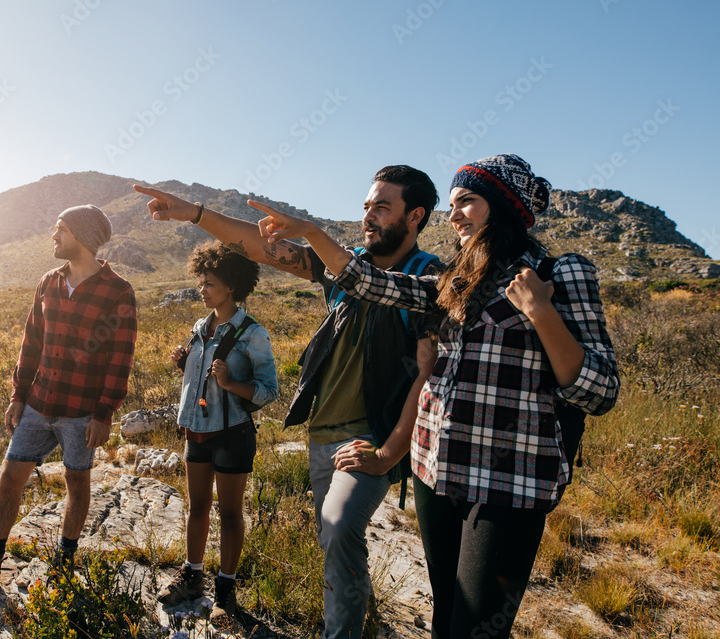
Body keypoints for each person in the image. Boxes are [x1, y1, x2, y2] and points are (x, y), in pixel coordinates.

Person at [249, 154, 620, 638]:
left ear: (501, 206)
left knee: (475, 626)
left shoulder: (561, 272)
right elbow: (369, 281)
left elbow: (601, 390)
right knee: (445, 616)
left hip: (510, 481)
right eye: (451, 205)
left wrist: (541, 312)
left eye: (467, 201)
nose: (455, 214)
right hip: (435, 471)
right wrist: (312, 233)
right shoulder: (456, 282)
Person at [137, 165, 443, 639]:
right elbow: (261, 248)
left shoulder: (429, 280)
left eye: (382, 207)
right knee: (335, 544)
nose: (369, 216)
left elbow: (430, 374)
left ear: (416, 215)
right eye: (366, 207)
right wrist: (196, 214)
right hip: (323, 433)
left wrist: (390, 453)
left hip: (373, 435)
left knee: (340, 527)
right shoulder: (345, 267)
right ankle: (363, 617)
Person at [0, 204, 137, 598]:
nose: (53, 236)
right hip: (38, 404)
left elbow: (120, 356)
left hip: (81, 412)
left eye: (60, 229)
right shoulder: (48, 282)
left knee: (77, 482)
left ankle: (64, 563)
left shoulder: (118, 291)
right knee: (10, 477)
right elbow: (32, 344)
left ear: (80, 235)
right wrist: (18, 396)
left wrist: (104, 413)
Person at [157, 240, 278, 629]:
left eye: (209, 283)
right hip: (197, 431)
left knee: (228, 514)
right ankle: (192, 577)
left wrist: (231, 383)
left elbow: (268, 390)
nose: (202, 289)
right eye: (201, 282)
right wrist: (185, 366)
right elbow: (200, 382)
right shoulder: (200, 328)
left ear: (231, 285)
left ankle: (225, 592)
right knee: (196, 508)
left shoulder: (252, 333)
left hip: (232, 434)